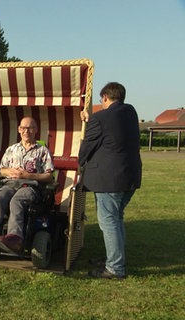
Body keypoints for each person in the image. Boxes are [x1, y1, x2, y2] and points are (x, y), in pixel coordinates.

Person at [79, 82, 142, 279]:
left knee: (108, 222)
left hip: (109, 179)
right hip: (130, 175)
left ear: (105, 97)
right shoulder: (130, 112)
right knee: (116, 218)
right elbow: (112, 131)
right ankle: (114, 258)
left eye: (101, 100)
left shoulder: (100, 118)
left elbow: (87, 147)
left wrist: (79, 162)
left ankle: (115, 267)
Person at [0, 117, 54, 255]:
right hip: (10, 183)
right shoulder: (11, 149)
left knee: (16, 200)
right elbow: (2, 170)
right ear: (19, 129)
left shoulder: (42, 151)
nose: (27, 131)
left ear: (36, 130)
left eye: (30, 128)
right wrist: (10, 171)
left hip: (30, 186)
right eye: (24, 128)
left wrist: (28, 175)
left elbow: (49, 176)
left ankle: (15, 238)